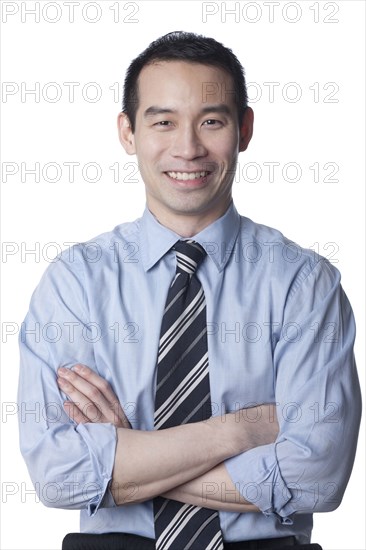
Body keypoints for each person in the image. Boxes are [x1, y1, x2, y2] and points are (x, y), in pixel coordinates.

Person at [18, 31, 361, 550]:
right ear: (128, 132)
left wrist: (130, 455)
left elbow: (317, 476)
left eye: (212, 121)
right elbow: (59, 474)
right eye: (163, 121)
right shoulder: (75, 284)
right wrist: (240, 432)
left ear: (244, 129)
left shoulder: (302, 283)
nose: (188, 148)